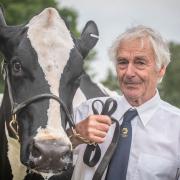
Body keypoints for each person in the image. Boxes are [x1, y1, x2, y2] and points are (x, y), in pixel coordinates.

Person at [68, 25, 180, 180]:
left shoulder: (177, 127)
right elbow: (42, 158)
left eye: (140, 62)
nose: (128, 73)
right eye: (122, 62)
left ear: (161, 69)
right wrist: (75, 135)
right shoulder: (88, 109)